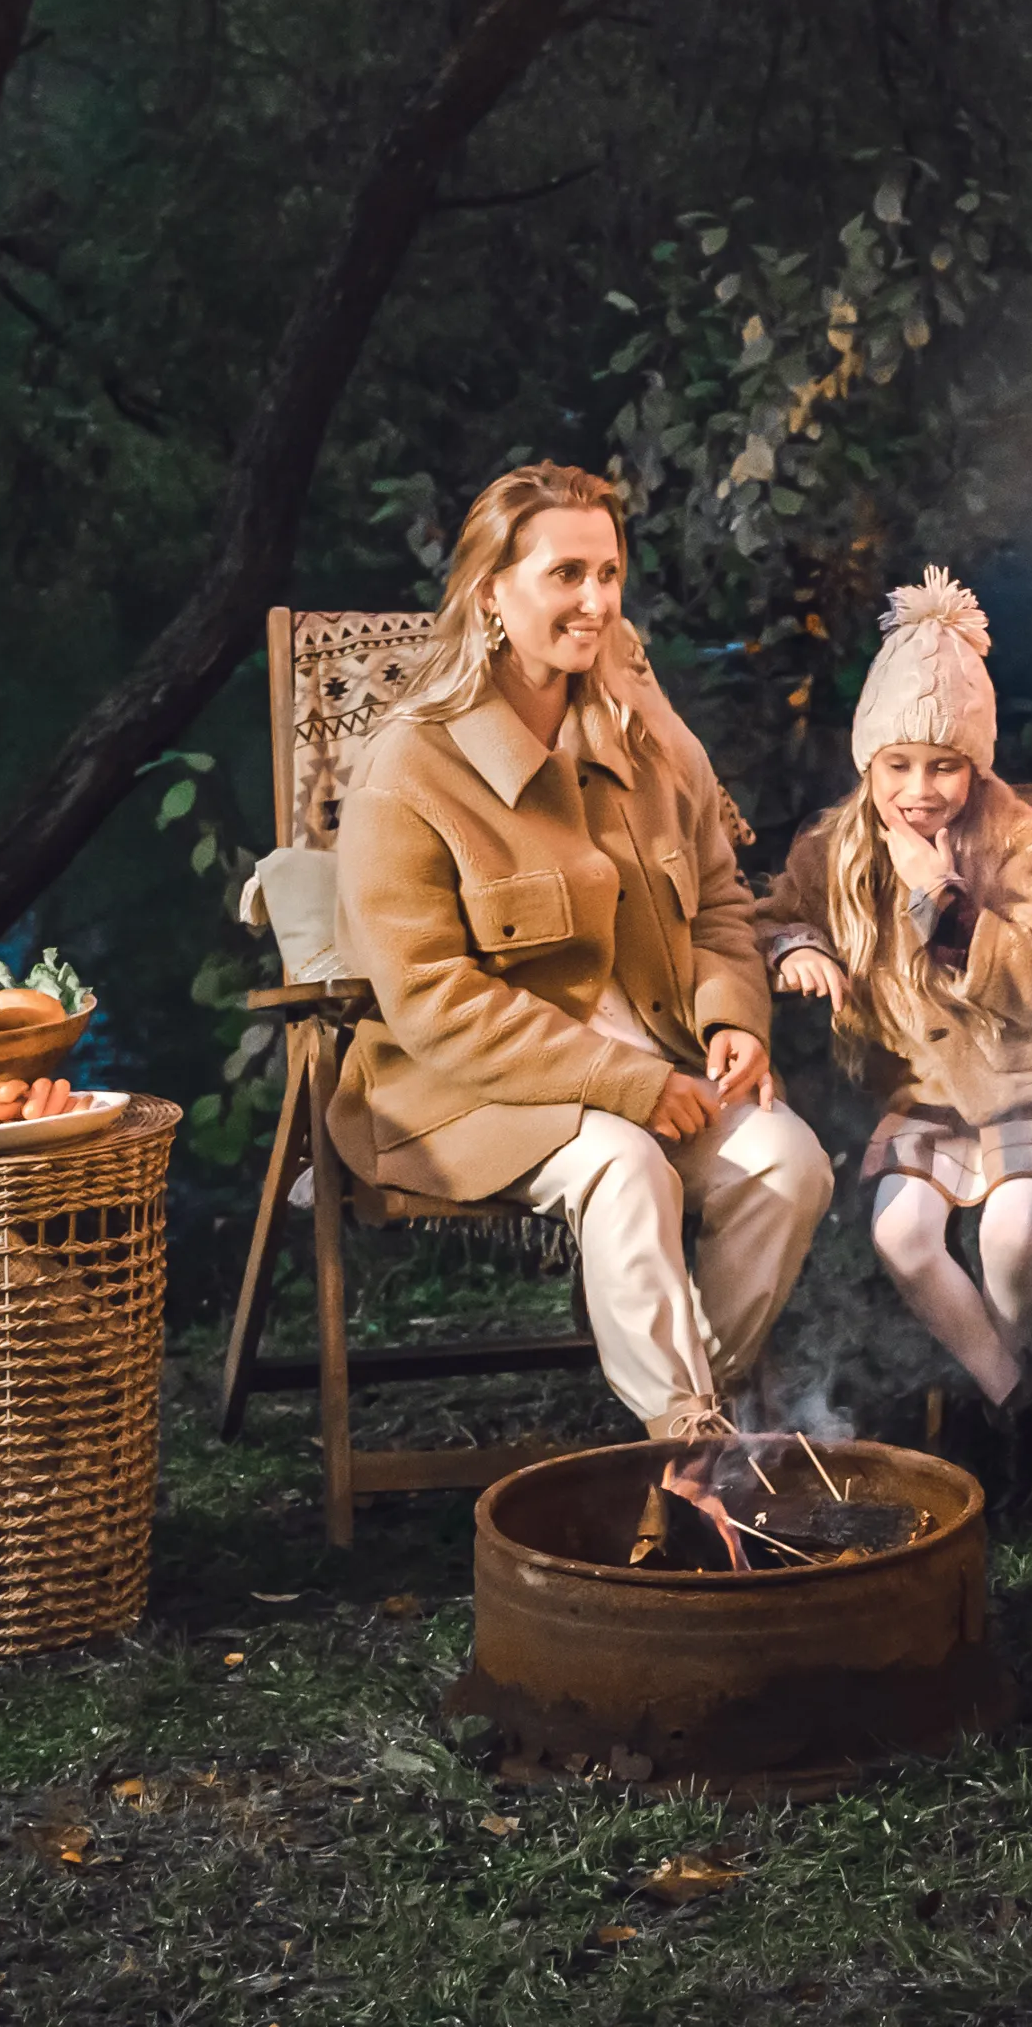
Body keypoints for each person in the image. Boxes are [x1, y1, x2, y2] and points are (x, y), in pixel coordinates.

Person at [329, 462, 831, 1446]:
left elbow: (719, 904)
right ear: (491, 592)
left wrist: (732, 1017)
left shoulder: (652, 744)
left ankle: (692, 1417)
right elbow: (432, 998)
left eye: (607, 574)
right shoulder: (410, 764)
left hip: (656, 1062)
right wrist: (624, 1083)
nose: (596, 602)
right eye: (565, 574)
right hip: (468, 1090)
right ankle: (690, 1441)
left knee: (788, 1161)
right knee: (625, 1164)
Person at [763, 570, 1032, 1499]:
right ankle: (1022, 1400)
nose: (919, 789)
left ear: (975, 766)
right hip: (926, 1093)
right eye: (898, 765)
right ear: (868, 761)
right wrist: (797, 945)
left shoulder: (1016, 839)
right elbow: (778, 913)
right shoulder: (834, 843)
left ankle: (1005, 1418)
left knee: (1012, 1238)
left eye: (944, 766)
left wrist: (937, 898)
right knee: (903, 1233)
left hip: (1025, 1078)